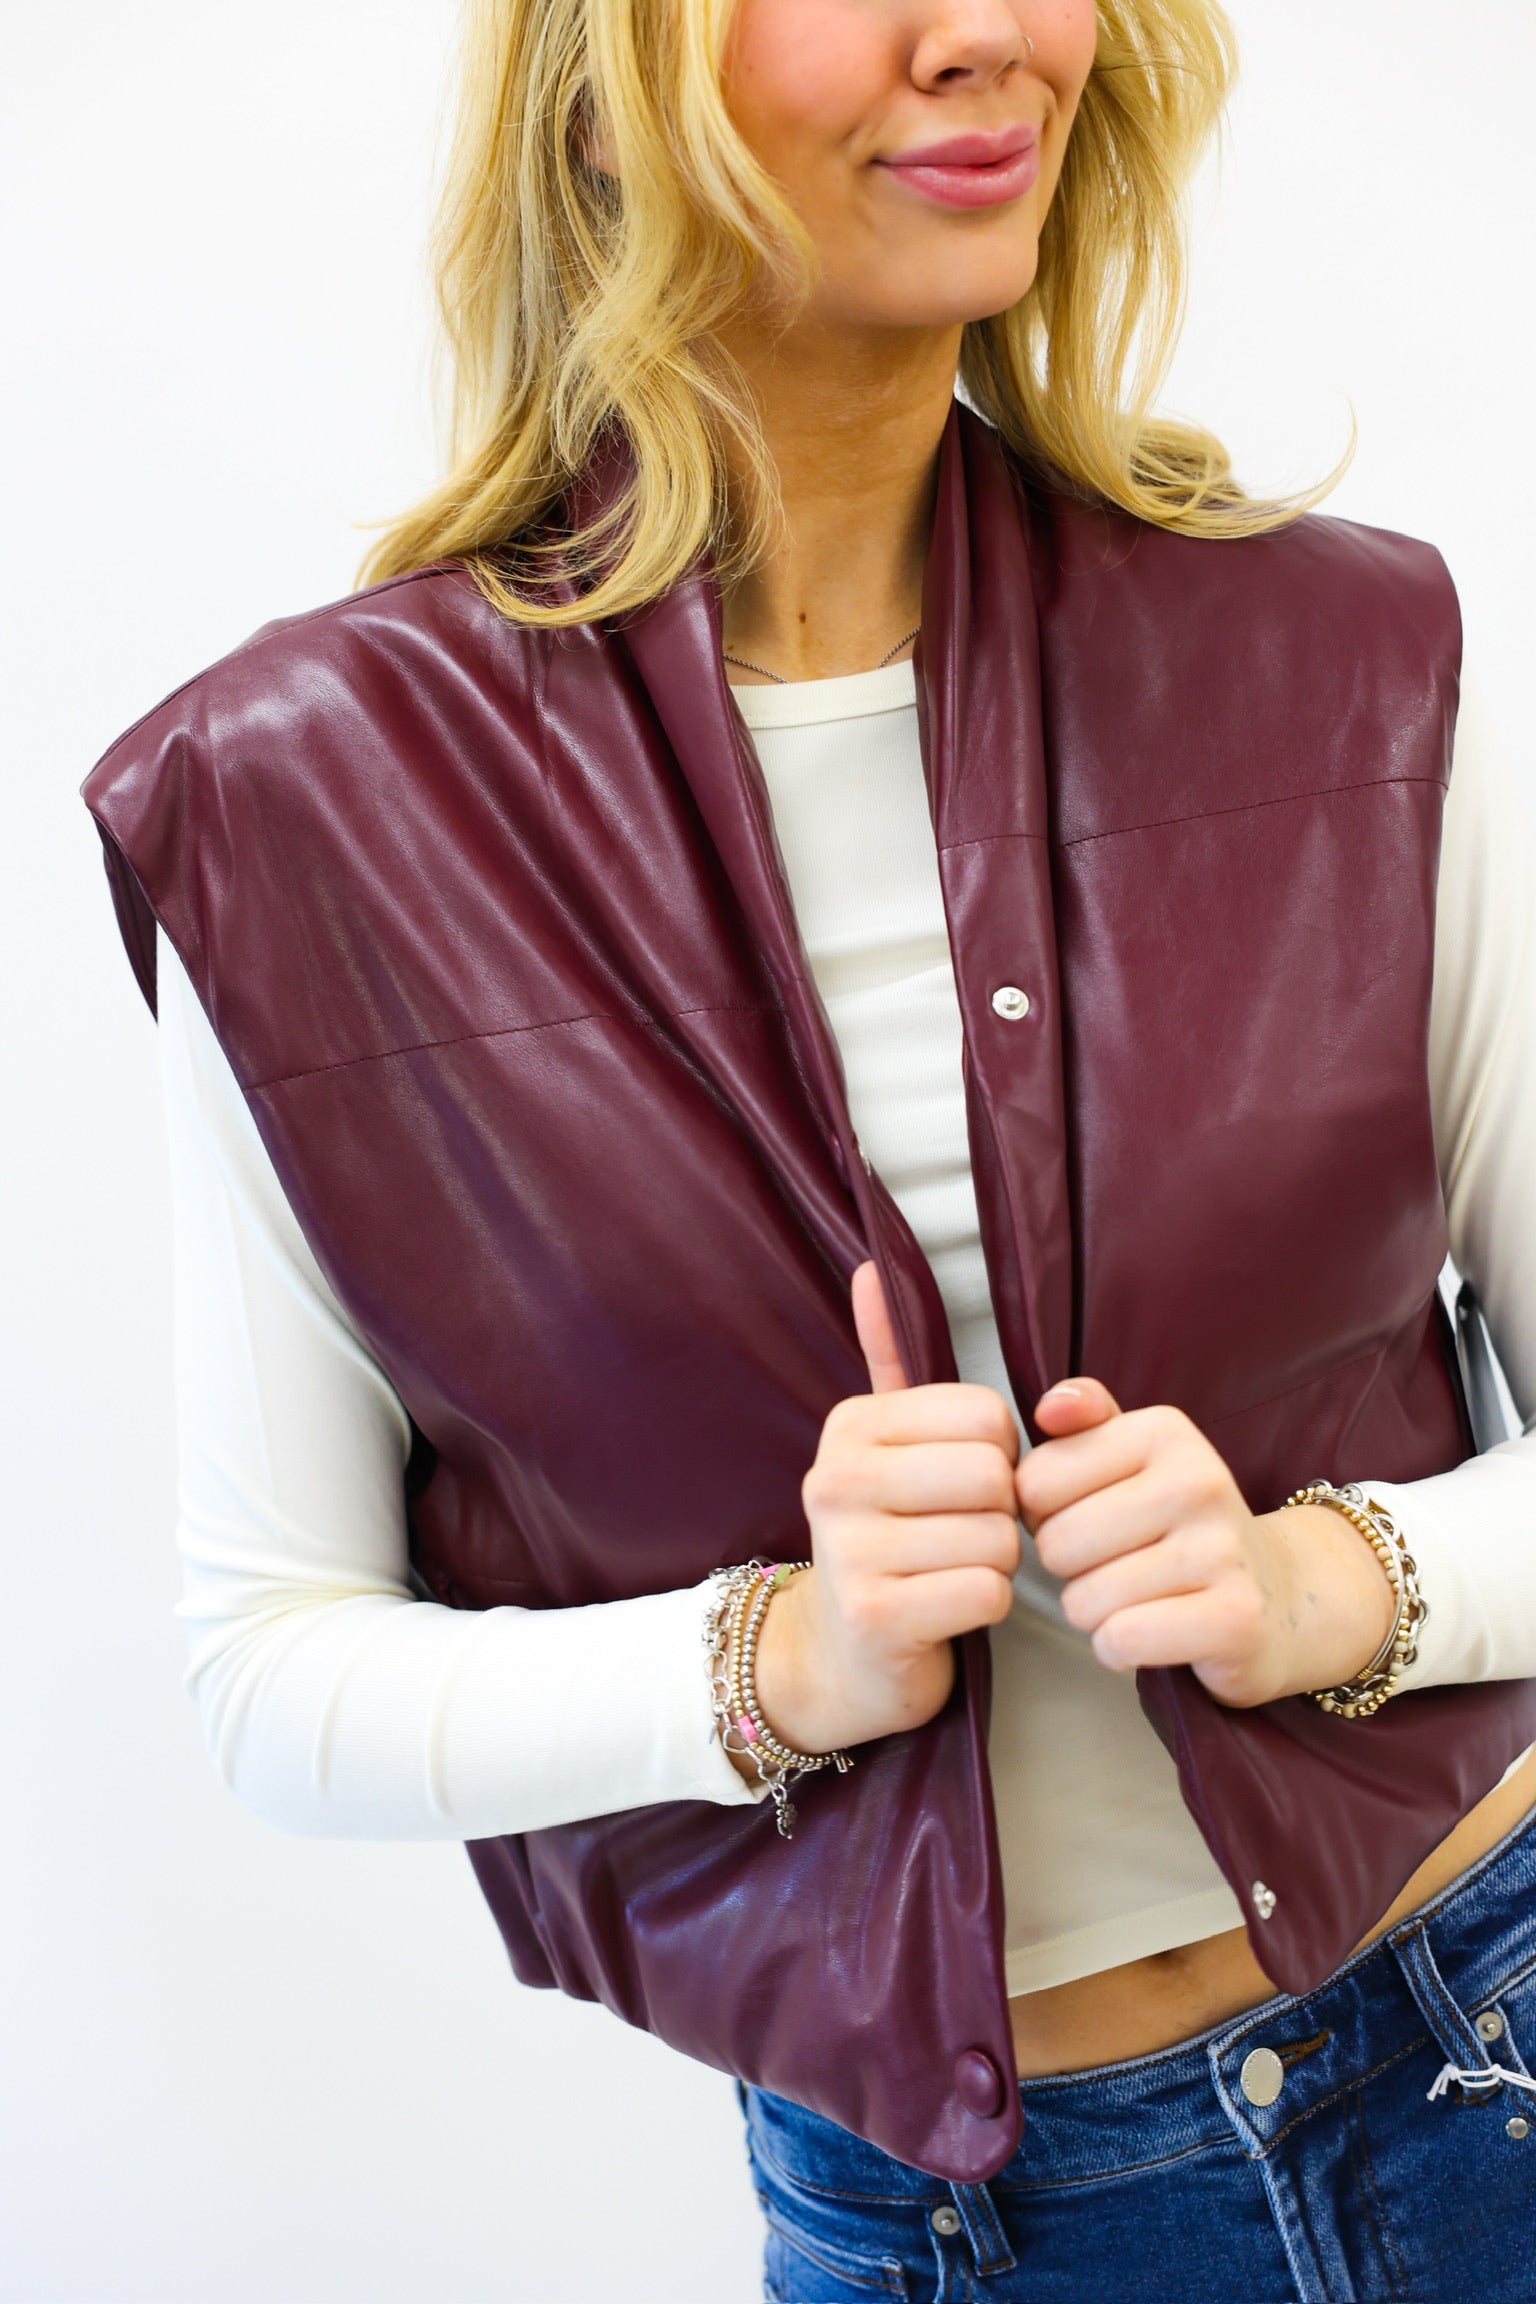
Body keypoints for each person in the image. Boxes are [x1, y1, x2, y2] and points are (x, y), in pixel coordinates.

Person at [82, 2, 1536, 2297]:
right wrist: (777, 1658)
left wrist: (1330, 1583)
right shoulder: (305, 811)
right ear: (608, 61)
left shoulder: (1352, 665)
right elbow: (273, 1667)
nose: (989, 35)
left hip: (1489, 2063)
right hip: (937, 2226)